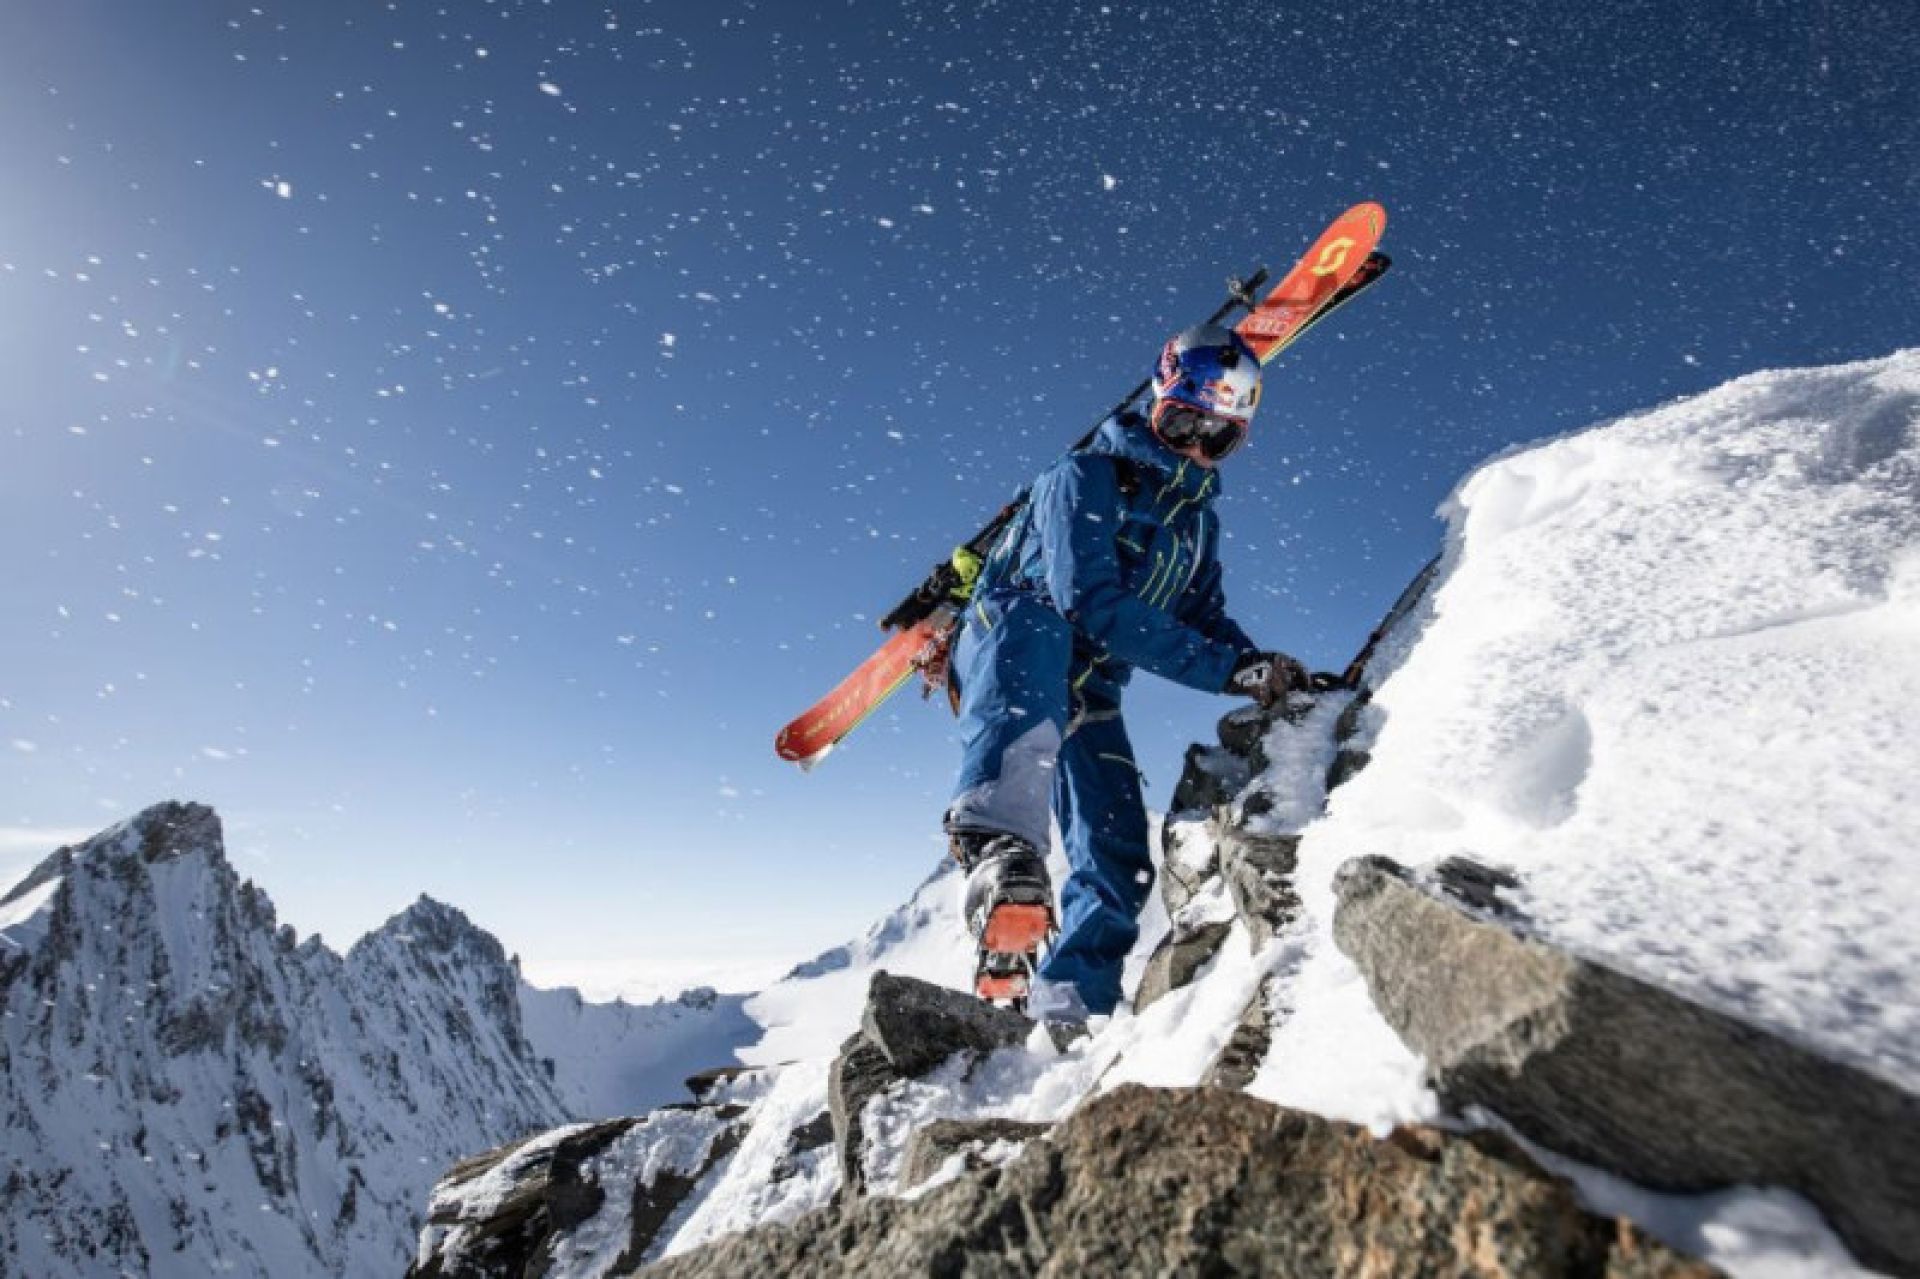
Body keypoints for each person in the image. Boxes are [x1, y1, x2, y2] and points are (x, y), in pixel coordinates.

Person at [943, 323, 1310, 1023]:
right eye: (1183, 423)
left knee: (1117, 855)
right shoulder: (1081, 477)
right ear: (1156, 402)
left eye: (1219, 437)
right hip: (1011, 644)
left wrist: (1265, 668)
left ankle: (1067, 1010)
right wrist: (1229, 670)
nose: (1198, 447)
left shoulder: (1197, 526)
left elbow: (1206, 620)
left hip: (1089, 690)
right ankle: (996, 848)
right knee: (1044, 624)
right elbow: (1090, 602)